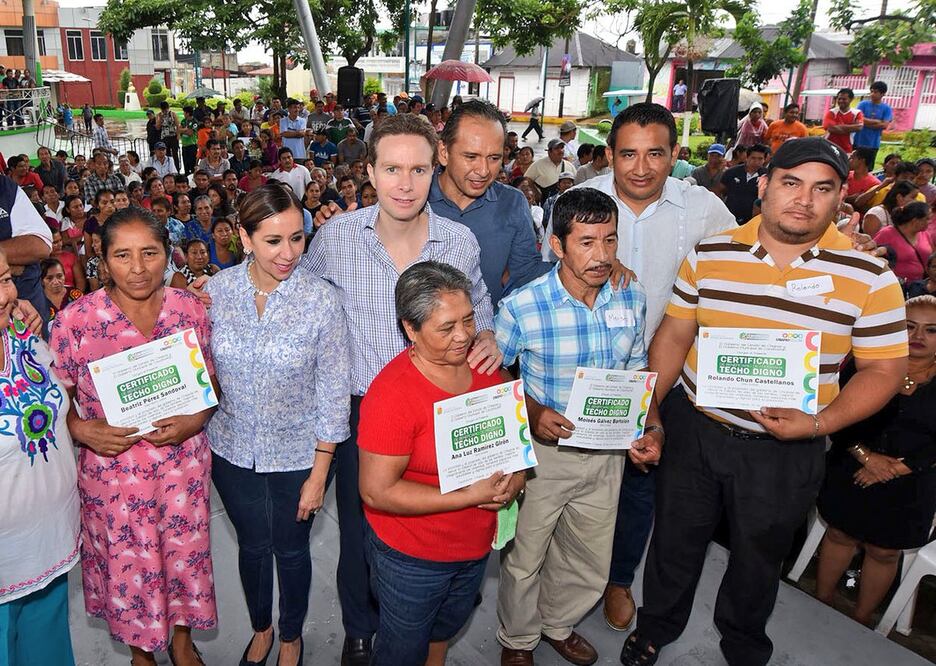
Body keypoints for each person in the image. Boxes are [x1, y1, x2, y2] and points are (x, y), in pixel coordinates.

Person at [620, 138, 908, 666]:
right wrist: (650, 413)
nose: (803, 200)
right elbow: (672, 340)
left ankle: (744, 640)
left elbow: (885, 370)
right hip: (697, 431)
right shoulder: (711, 254)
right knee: (674, 543)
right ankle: (656, 626)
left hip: (788, 449)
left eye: (822, 188)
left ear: (842, 196)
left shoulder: (871, 277)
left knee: (759, 555)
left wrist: (819, 423)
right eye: (790, 183)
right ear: (764, 184)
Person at [299, 113, 500, 666]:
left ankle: (428, 618)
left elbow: (480, 308)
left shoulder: (458, 241)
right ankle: (362, 628)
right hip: (364, 407)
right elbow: (303, 304)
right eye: (391, 169)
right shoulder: (337, 239)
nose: (405, 184)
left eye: (417, 169)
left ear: (436, 168)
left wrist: (489, 336)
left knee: (439, 520)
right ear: (369, 170)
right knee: (363, 531)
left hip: (443, 403)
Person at [496, 188, 660, 666]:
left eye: (610, 241)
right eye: (586, 242)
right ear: (556, 245)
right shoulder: (522, 306)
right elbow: (490, 377)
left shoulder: (632, 296)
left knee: (588, 556)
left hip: (609, 453)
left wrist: (647, 427)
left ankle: (556, 624)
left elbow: (636, 371)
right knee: (526, 557)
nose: (602, 255)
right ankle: (518, 639)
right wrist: (531, 408)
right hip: (545, 457)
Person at [50, 207, 218, 666]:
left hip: (181, 470)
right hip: (114, 480)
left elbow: (211, 383)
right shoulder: (74, 322)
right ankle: (140, 655)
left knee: (185, 561)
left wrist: (198, 416)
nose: (138, 268)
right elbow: (54, 402)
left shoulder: (189, 310)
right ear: (102, 261)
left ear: (169, 254)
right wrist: (81, 429)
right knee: (131, 572)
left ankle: (183, 645)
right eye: (122, 255)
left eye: (150, 253)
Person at [205, 184, 350, 666]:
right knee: (252, 546)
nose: (288, 253)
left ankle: (291, 636)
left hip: (299, 455)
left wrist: (318, 473)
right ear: (244, 239)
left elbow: (333, 393)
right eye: (273, 241)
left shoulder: (322, 302)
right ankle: (261, 628)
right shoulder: (216, 292)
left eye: (297, 238)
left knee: (290, 549)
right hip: (231, 451)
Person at [358, 261, 524, 666]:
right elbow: (377, 490)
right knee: (401, 649)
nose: (464, 336)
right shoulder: (392, 395)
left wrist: (516, 479)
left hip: (472, 546)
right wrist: (468, 494)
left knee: (444, 630)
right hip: (412, 557)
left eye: (468, 320)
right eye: (446, 327)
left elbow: (512, 447)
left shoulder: (487, 371)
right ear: (410, 330)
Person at [815, 294, 936, 626]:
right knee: (839, 533)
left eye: (931, 330)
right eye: (909, 326)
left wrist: (895, 468)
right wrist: (867, 457)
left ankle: (862, 620)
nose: (918, 337)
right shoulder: (864, 361)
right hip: (851, 466)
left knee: (884, 551)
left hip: (912, 482)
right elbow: (832, 411)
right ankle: (820, 602)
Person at [0, 248, 80, 666]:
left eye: (4, 279)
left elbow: (61, 399)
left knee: (47, 652)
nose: (2, 295)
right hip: (5, 557)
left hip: (51, 544)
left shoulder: (20, 330)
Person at [873, 201, 933, 284]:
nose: (930, 222)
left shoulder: (925, 234)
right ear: (915, 220)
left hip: (920, 286)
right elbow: (873, 256)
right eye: (927, 219)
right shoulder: (887, 234)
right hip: (896, 285)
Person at [716, 143, 769, 224]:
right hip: (730, 218)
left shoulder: (767, 177)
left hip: (752, 222)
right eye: (753, 158)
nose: (756, 162)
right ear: (747, 158)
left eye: (760, 159)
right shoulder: (731, 172)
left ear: (764, 160)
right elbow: (720, 191)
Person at [39, 257, 84, 334]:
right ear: (42, 281)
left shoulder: (76, 295)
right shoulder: (38, 300)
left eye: (59, 276)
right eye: (49, 278)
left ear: (64, 275)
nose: (56, 282)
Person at [854, 81, 893, 168]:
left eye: (875, 92)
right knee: (853, 166)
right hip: (858, 141)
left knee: (868, 168)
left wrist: (865, 123)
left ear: (882, 94)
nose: (872, 94)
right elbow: (858, 119)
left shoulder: (886, 108)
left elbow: (884, 125)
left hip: (873, 144)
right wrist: (877, 122)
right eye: (871, 91)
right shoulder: (862, 104)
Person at [823, 88, 864, 153]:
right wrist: (851, 127)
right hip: (829, 146)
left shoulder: (857, 113)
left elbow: (859, 127)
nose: (841, 101)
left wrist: (838, 126)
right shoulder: (831, 112)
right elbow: (830, 128)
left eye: (844, 99)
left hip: (846, 148)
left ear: (851, 99)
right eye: (839, 99)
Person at [280, 98, 310, 163]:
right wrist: (298, 132)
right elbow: (284, 134)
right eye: (294, 107)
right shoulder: (283, 121)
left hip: (300, 154)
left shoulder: (303, 121)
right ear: (289, 109)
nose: (297, 110)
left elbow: (302, 134)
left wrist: (290, 133)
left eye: (298, 107)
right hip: (287, 155)